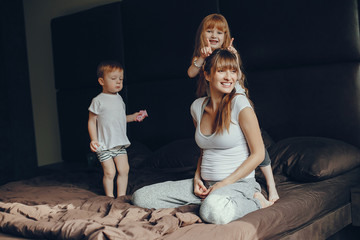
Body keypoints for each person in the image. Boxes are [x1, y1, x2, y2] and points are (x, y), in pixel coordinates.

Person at [132, 49, 273, 224]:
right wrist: (197, 178)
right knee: (140, 197)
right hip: (205, 185)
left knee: (212, 211)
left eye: (233, 71)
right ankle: (211, 199)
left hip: (239, 184)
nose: (229, 77)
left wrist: (223, 184)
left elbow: (258, 154)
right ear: (207, 75)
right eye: (222, 71)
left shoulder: (240, 104)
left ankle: (256, 201)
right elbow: (203, 151)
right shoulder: (196, 107)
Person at [188, 13, 279, 202]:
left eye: (219, 32)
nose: (214, 35)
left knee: (254, 142)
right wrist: (201, 58)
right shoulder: (203, 55)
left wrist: (233, 57)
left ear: (226, 36)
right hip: (214, 97)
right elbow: (191, 73)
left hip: (232, 94)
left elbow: (234, 75)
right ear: (202, 34)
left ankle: (271, 185)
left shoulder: (229, 53)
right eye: (209, 31)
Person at [88, 61, 146, 198]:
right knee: (110, 172)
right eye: (113, 79)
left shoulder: (119, 99)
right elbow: (91, 122)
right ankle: (109, 197)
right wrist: (94, 140)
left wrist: (133, 117)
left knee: (124, 169)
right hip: (104, 145)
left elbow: (120, 118)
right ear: (102, 81)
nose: (118, 82)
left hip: (119, 143)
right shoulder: (98, 101)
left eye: (120, 78)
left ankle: (120, 196)